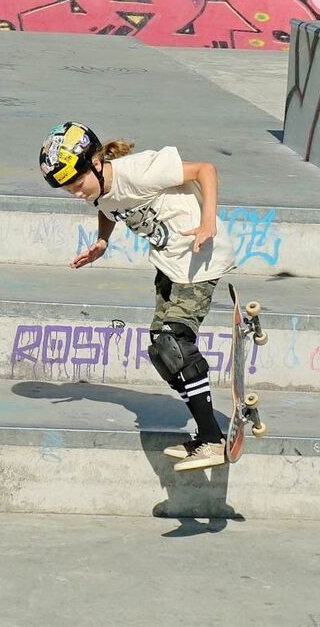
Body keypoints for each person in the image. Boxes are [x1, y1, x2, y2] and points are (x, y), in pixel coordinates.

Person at [39, 122, 236, 472]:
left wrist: (208, 221)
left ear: (97, 164)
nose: (75, 193)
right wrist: (103, 241)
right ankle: (205, 436)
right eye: (67, 188)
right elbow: (109, 206)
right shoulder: (98, 189)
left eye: (76, 184)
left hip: (200, 257)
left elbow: (206, 169)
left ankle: (211, 439)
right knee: (162, 351)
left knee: (174, 343)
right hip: (170, 265)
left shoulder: (140, 171)